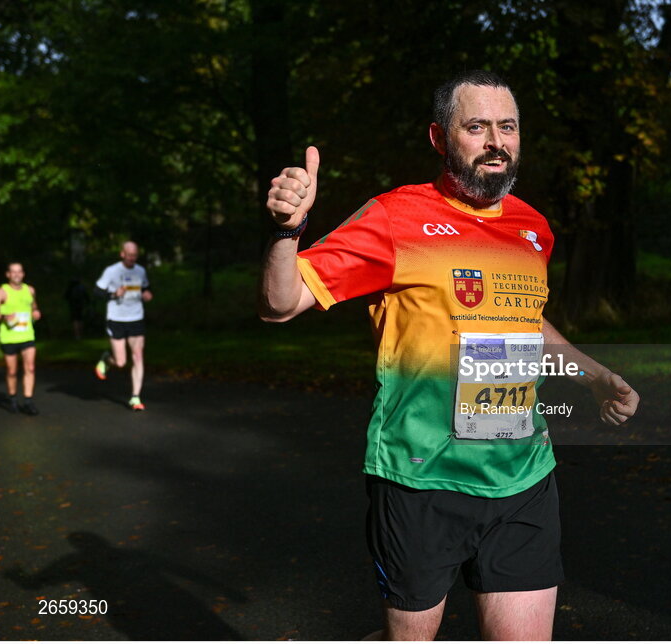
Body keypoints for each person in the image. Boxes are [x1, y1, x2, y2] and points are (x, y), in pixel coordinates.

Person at [259, 70, 640, 641]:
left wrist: (591, 375)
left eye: (507, 127)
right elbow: (280, 304)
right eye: (477, 127)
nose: (496, 141)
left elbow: (522, 319)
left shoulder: (532, 228)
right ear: (440, 139)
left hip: (522, 476)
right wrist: (291, 229)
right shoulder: (394, 217)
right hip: (421, 479)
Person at [93, 241, 152, 411]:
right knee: (120, 362)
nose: (133, 258)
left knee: (138, 355)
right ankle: (107, 359)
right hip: (116, 319)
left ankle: (135, 397)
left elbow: (146, 287)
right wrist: (113, 294)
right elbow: (97, 291)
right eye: (129, 255)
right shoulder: (112, 271)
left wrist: (147, 293)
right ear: (122, 254)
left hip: (136, 318)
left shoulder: (140, 271)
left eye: (135, 255)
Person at [0, 262, 42, 415]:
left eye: (19, 271)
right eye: (13, 272)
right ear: (8, 275)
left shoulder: (30, 290)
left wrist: (36, 313)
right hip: (9, 338)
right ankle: (12, 399)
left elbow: (34, 307)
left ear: (23, 274)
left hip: (27, 335)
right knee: (12, 371)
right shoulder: (2, 292)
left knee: (30, 367)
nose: (17, 274)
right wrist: (3, 316)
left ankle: (28, 401)